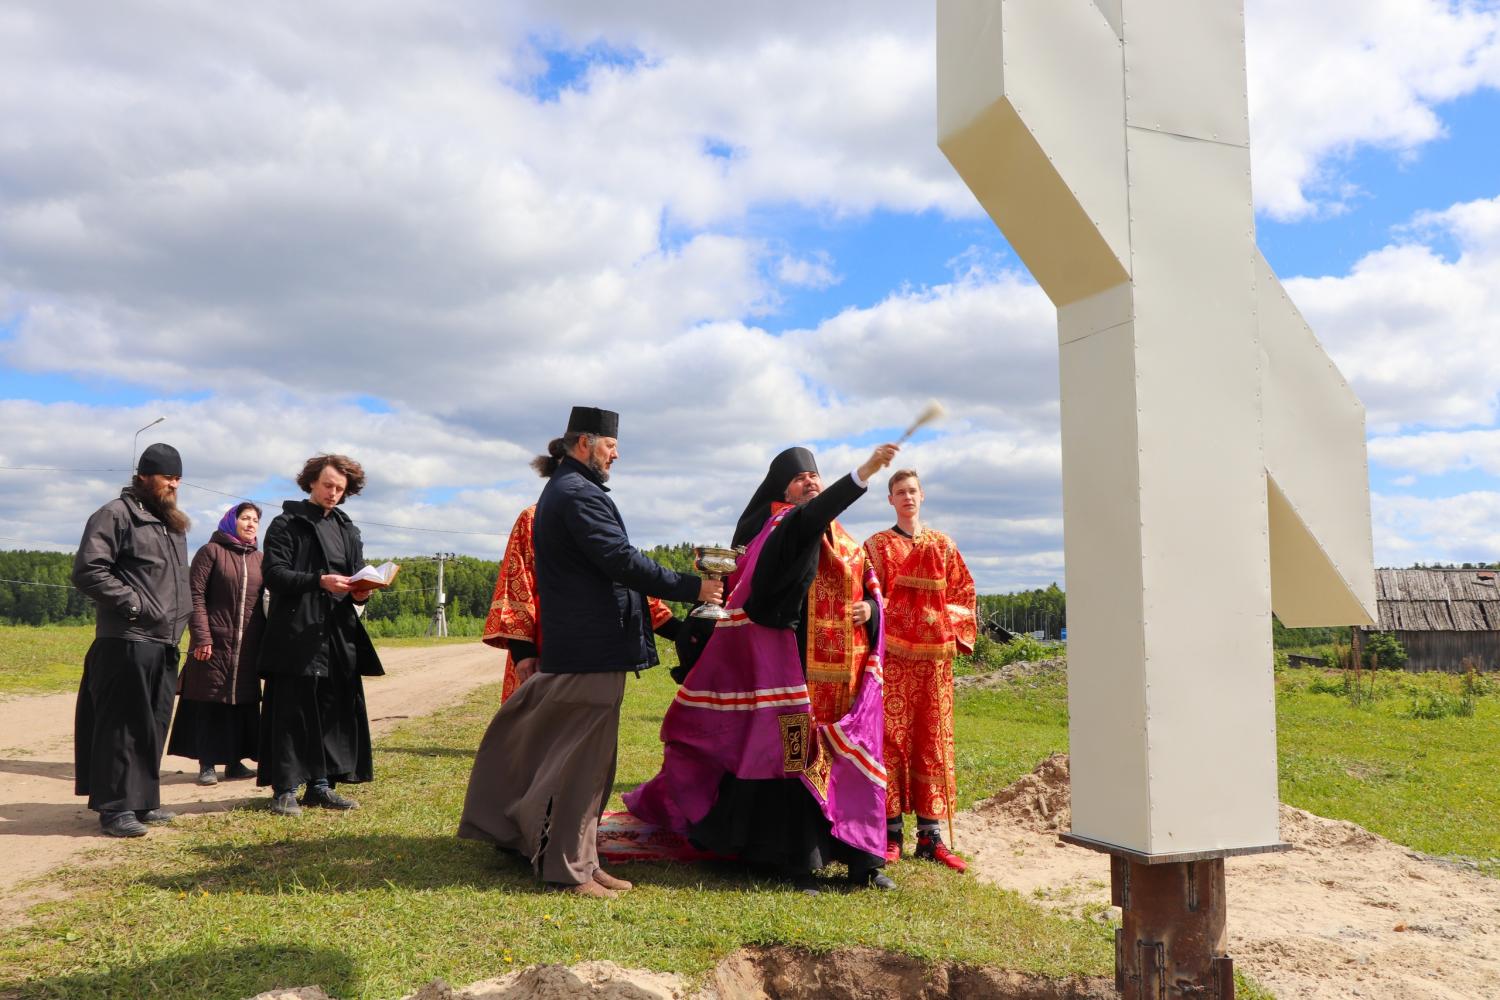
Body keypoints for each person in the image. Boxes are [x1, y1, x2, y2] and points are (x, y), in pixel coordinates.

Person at [458, 406, 720, 899]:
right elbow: (619, 559)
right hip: (588, 648)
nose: (616, 453)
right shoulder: (576, 493)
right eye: (610, 444)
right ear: (584, 443)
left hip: (593, 647)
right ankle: (567, 869)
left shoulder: (573, 490)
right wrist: (694, 587)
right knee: (579, 766)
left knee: (595, 764)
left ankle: (586, 860)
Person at [625, 442, 900, 890]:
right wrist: (863, 473)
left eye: (815, 476)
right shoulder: (780, 525)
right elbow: (805, 529)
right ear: (782, 491)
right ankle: (800, 862)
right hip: (788, 672)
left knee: (846, 760)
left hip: (841, 679)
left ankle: (862, 860)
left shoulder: (845, 538)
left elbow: (868, 585)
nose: (810, 482)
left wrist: (871, 607)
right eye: (799, 478)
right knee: (792, 762)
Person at [71, 443, 191, 837]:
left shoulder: (172, 524)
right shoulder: (115, 514)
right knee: (121, 724)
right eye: (166, 476)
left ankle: (140, 801)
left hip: (163, 640)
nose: (172, 484)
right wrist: (135, 604)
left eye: (177, 478)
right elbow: (89, 569)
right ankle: (115, 808)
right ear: (143, 475)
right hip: (127, 636)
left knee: (152, 722)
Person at [482, 465, 680, 703]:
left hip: (596, 650)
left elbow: (626, 582)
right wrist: (523, 652)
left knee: (587, 727)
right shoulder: (533, 519)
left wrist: (680, 631)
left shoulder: (598, 517)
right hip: (546, 646)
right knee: (539, 726)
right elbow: (516, 582)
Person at [256, 454, 385, 817]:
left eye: (340, 489)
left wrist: (363, 590)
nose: (333, 493)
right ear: (311, 482)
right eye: (328, 485)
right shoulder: (286, 524)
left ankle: (321, 786)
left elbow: (358, 574)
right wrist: (318, 580)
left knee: (332, 709)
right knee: (291, 712)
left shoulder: (347, 529)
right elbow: (274, 574)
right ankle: (284, 789)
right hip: (296, 633)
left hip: (337, 632)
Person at [864, 470, 976, 871]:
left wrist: (935, 621)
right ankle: (890, 832)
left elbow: (964, 595)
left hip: (934, 665)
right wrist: (902, 617)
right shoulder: (877, 546)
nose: (907, 497)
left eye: (912, 490)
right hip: (892, 662)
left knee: (932, 742)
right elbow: (868, 597)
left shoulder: (944, 545)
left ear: (922, 496)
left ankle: (931, 836)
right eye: (899, 492)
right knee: (890, 741)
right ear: (890, 500)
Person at [169, 502, 265, 785]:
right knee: (210, 700)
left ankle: (234, 762)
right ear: (230, 521)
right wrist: (202, 635)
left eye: (255, 520)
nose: (251, 524)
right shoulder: (211, 552)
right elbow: (194, 595)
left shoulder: (260, 559)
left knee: (240, 703)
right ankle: (207, 763)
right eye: (245, 518)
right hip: (213, 643)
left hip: (247, 646)